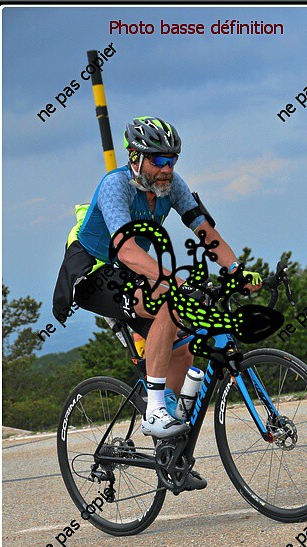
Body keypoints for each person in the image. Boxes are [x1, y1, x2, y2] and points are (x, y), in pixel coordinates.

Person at [71, 116, 263, 489]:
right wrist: (171, 281)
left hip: (131, 272)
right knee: (169, 302)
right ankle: (155, 411)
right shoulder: (115, 185)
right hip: (94, 272)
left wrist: (237, 271)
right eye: (158, 160)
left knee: (186, 342)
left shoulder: (172, 186)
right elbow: (126, 250)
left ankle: (170, 453)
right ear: (135, 157)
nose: (167, 168)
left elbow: (206, 231)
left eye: (172, 160)